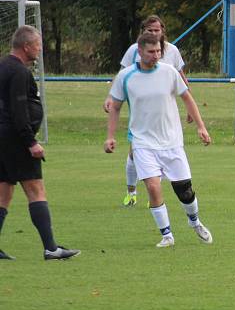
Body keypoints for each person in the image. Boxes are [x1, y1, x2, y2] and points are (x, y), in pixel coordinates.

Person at [104, 31, 213, 248]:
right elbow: (115, 106)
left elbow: (187, 97)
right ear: (140, 51)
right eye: (151, 52)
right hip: (143, 142)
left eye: (158, 51)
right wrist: (110, 137)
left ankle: (195, 222)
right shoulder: (126, 77)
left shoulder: (169, 72)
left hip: (171, 141)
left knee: (185, 191)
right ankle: (167, 235)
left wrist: (201, 127)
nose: (156, 55)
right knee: (153, 187)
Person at [0, 26, 80, 260]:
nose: (40, 49)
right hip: (16, 140)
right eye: (37, 45)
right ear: (26, 46)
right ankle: (51, 248)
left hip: (2, 138)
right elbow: (18, 111)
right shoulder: (19, 72)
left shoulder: (3, 66)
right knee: (36, 191)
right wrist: (31, 142)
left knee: (4, 192)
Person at [103, 15, 191, 207]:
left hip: (165, 113)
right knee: (135, 151)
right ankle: (132, 191)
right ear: (143, 32)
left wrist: (190, 107)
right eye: (149, 30)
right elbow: (122, 75)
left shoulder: (172, 51)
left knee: (154, 155)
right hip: (142, 112)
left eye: (156, 30)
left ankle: (156, 188)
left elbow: (182, 78)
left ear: (162, 31)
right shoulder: (135, 50)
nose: (153, 33)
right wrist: (110, 97)